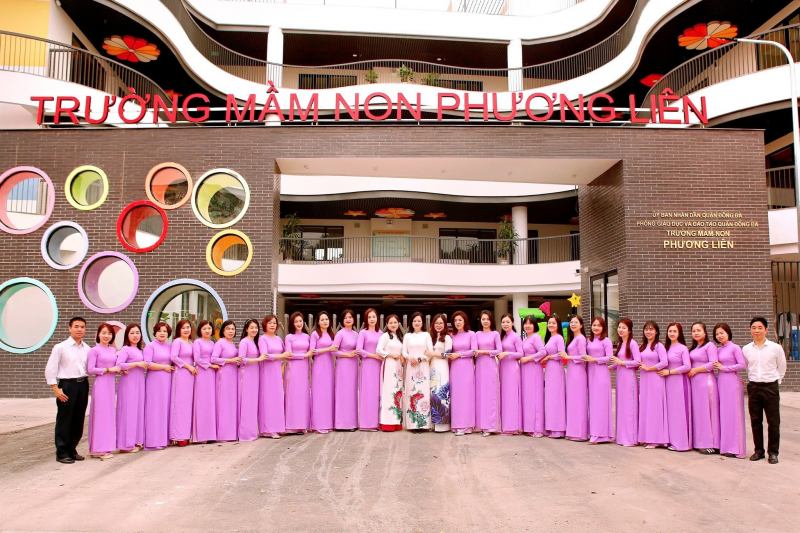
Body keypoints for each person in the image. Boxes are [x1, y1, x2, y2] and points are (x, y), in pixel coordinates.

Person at [45, 317, 91, 464]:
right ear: (69, 328)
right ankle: (62, 452)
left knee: (78, 418)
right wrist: (55, 388)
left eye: (82, 327)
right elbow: (50, 368)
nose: (79, 329)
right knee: (65, 419)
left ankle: (72, 449)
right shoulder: (60, 347)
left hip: (83, 385)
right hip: (67, 385)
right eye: (76, 326)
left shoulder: (87, 348)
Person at [742, 317, 786, 464]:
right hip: (754, 387)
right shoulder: (746, 349)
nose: (757, 330)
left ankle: (773, 452)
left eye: (760, 327)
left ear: (766, 330)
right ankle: (759, 451)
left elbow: (782, 366)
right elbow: (746, 367)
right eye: (754, 328)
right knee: (755, 421)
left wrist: (777, 381)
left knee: (773, 422)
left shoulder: (775, 348)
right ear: (750, 330)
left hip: (770, 387)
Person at [87, 323, 121, 459]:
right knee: (100, 415)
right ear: (98, 334)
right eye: (104, 333)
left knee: (109, 415)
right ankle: (98, 449)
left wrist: (120, 370)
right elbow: (90, 369)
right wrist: (107, 370)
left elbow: (117, 366)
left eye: (109, 333)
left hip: (111, 385)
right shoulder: (94, 350)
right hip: (101, 385)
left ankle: (105, 446)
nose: (106, 336)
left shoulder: (112, 350)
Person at [713, 323, 747, 459]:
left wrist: (724, 368)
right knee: (725, 415)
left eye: (722, 333)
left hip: (732, 383)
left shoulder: (735, 347)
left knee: (734, 415)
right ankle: (727, 446)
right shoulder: (718, 349)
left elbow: (742, 365)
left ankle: (737, 449)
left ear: (728, 333)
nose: (719, 336)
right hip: (721, 382)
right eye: (717, 334)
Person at [657, 322, 692, 452]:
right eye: (670, 331)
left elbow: (687, 366)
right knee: (670, 412)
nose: (672, 333)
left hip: (679, 383)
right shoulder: (665, 347)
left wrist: (670, 372)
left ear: (679, 333)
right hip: (667, 383)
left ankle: (681, 443)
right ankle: (670, 440)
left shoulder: (683, 348)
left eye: (674, 331)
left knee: (679, 412)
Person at [688, 321, 720, 455]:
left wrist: (696, 370)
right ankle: (699, 441)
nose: (696, 333)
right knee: (699, 412)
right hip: (695, 384)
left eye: (698, 330)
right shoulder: (694, 348)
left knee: (708, 412)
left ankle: (711, 443)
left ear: (705, 332)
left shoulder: (709, 346)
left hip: (706, 382)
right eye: (693, 331)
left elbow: (713, 364)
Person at [637, 321, 669, 449]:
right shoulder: (642, 346)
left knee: (654, 408)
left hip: (655, 379)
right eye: (646, 329)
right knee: (645, 407)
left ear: (656, 332)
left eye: (651, 329)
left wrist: (650, 368)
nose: (648, 331)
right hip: (644, 380)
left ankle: (655, 439)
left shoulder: (659, 346)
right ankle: (646, 437)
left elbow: (664, 362)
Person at [116, 323, 147, 453]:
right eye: (132, 333)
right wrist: (136, 364)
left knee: (137, 411)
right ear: (127, 335)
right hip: (128, 384)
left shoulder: (140, 350)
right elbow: (119, 365)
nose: (135, 335)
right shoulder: (126, 349)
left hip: (140, 383)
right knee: (128, 412)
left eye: (137, 333)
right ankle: (126, 444)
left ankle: (136, 440)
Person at [144, 322, 175, 450]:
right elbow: (147, 364)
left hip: (167, 381)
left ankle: (165, 439)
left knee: (165, 408)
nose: (162, 333)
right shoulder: (150, 346)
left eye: (165, 331)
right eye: (159, 331)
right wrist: (164, 367)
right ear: (155, 333)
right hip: (154, 382)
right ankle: (153, 440)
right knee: (155, 409)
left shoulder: (170, 346)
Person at [610, 318, 640, 446]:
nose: (621, 330)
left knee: (629, 408)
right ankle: (622, 437)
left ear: (629, 330)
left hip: (629, 379)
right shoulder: (621, 343)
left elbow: (637, 362)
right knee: (621, 407)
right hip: (620, 379)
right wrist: (608, 368)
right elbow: (618, 363)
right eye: (619, 327)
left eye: (624, 328)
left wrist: (621, 362)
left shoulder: (633, 343)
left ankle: (630, 439)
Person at [584, 317, 613, 444]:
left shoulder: (606, 340)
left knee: (600, 403)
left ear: (603, 328)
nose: (596, 327)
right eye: (594, 325)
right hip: (590, 373)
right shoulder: (588, 340)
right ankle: (594, 432)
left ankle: (600, 434)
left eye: (599, 325)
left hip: (601, 374)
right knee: (593, 404)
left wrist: (595, 359)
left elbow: (609, 357)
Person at [402, 312, 433, 430]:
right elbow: (404, 352)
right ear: (411, 323)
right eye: (414, 321)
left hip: (423, 367)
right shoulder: (407, 336)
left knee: (423, 393)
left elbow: (430, 352)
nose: (417, 323)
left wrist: (420, 358)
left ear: (422, 322)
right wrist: (410, 357)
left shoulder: (426, 335)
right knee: (411, 392)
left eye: (419, 321)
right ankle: (412, 424)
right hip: (411, 367)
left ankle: (423, 424)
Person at [258, 315, 287, 439]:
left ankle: (278, 427)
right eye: (270, 323)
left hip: (277, 371)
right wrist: (281, 356)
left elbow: (286, 353)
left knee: (278, 398)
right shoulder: (262, 339)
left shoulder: (279, 339)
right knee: (268, 399)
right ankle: (267, 429)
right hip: (267, 372)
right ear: (265, 324)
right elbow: (265, 355)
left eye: (274, 323)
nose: (272, 325)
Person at [211, 320, 241, 441]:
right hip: (223, 375)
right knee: (223, 403)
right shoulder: (220, 343)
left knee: (231, 403)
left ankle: (231, 433)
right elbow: (213, 359)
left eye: (232, 329)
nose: (230, 331)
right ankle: (222, 434)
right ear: (223, 330)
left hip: (233, 375)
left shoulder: (232, 344)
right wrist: (230, 360)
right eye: (228, 329)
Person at [448, 311, 476, 436]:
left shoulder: (471, 334)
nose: (457, 322)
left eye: (460, 320)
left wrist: (459, 354)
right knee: (456, 396)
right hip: (455, 368)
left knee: (466, 395)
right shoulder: (452, 335)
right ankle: (457, 424)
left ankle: (467, 425)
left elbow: (473, 351)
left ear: (465, 321)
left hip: (467, 367)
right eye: (455, 320)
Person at [474, 310, 501, 436]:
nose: (485, 321)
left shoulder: (495, 334)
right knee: (480, 395)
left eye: (487, 319)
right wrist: (478, 352)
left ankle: (491, 426)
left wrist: (484, 352)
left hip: (490, 366)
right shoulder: (477, 334)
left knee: (491, 395)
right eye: (483, 319)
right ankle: (481, 425)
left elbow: (499, 350)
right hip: (479, 366)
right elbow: (474, 350)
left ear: (491, 321)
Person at [169, 320, 196, 446]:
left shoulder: (191, 342)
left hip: (191, 376)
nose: (186, 330)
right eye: (183, 328)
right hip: (180, 374)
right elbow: (174, 357)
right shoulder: (177, 341)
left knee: (187, 405)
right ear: (179, 330)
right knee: (179, 404)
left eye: (188, 327)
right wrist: (188, 366)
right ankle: (178, 436)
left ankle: (186, 434)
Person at [284, 312, 312, 434]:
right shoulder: (289, 337)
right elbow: (289, 355)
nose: (299, 323)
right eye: (296, 321)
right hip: (293, 369)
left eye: (300, 321)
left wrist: (307, 356)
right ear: (292, 323)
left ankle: (302, 425)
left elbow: (311, 352)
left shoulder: (307, 337)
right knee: (293, 395)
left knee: (303, 396)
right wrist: (304, 355)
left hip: (304, 369)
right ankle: (291, 426)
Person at [310, 311, 337, 434]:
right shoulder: (315, 334)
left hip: (329, 366)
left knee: (328, 394)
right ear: (318, 322)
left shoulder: (331, 334)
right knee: (319, 394)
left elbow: (335, 350)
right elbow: (312, 351)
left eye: (326, 319)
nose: (325, 321)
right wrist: (328, 349)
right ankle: (318, 424)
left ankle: (328, 423)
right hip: (319, 367)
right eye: (322, 320)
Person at [376, 314, 404, 431]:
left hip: (398, 367)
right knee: (388, 392)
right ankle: (387, 423)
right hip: (389, 366)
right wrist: (390, 355)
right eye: (390, 323)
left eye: (395, 322)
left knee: (398, 393)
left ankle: (396, 422)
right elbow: (378, 350)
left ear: (398, 324)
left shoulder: (399, 337)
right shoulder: (385, 336)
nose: (393, 324)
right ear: (387, 324)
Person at [356, 308, 382, 431]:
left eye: (374, 317)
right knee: (367, 393)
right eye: (369, 317)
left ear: (377, 318)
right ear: (366, 319)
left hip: (379, 366)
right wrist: (373, 355)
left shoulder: (381, 333)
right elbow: (359, 349)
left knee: (377, 394)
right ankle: (366, 424)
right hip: (367, 365)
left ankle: (376, 422)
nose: (372, 319)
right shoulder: (363, 333)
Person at [192, 320, 218, 443]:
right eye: (204, 329)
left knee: (211, 402)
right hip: (202, 373)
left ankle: (210, 434)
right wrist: (211, 366)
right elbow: (197, 359)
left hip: (212, 374)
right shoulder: (197, 342)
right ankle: (201, 436)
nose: (207, 331)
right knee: (202, 401)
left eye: (209, 328)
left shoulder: (213, 343)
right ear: (200, 330)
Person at [520, 316, 546, 437]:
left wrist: (528, 358)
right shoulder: (526, 338)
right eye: (525, 323)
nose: (527, 326)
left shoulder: (536, 337)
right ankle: (529, 427)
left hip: (534, 370)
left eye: (530, 323)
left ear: (535, 325)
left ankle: (537, 428)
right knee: (528, 398)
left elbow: (543, 352)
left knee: (535, 398)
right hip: (525, 370)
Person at [333, 309, 359, 430]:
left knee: (352, 393)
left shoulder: (356, 334)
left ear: (353, 319)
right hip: (343, 365)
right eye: (345, 318)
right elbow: (333, 351)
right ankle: (341, 424)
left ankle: (351, 423)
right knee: (343, 393)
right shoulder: (340, 334)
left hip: (353, 365)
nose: (348, 319)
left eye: (350, 317)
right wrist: (347, 354)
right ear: (342, 320)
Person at [564, 316, 588, 441]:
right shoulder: (573, 338)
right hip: (572, 372)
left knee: (578, 402)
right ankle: (573, 431)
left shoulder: (581, 338)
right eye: (571, 322)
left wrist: (569, 357)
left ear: (581, 325)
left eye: (576, 322)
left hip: (578, 373)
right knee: (573, 402)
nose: (573, 324)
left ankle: (580, 433)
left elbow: (584, 357)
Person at [498, 313, 523, 435]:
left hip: (512, 369)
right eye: (503, 322)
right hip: (503, 368)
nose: (505, 324)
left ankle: (513, 426)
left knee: (512, 397)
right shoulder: (502, 336)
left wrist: (507, 353)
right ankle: (506, 425)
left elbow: (521, 354)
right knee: (504, 397)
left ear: (512, 323)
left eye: (508, 322)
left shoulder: (516, 337)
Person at [238, 319, 262, 442]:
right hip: (246, 374)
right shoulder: (244, 342)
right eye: (251, 327)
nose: (254, 330)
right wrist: (258, 359)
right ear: (246, 329)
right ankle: (246, 433)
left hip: (255, 374)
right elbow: (241, 359)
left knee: (252, 402)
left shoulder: (255, 342)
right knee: (247, 402)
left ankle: (252, 431)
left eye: (256, 327)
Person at [543, 314, 566, 438]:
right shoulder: (550, 338)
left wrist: (550, 357)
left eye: (553, 323)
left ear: (558, 325)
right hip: (549, 370)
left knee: (556, 398)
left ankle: (558, 429)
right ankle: (551, 427)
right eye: (549, 323)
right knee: (550, 398)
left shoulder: (559, 338)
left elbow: (562, 354)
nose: (551, 325)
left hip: (556, 369)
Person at [428, 313, 452, 433]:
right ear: (433, 324)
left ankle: (443, 425)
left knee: (441, 395)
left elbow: (448, 354)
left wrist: (433, 354)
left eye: (441, 323)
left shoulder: (447, 338)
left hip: (442, 368)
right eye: (436, 323)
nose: (438, 325)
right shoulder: (431, 337)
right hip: (432, 367)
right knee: (433, 394)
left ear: (445, 325)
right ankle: (433, 424)